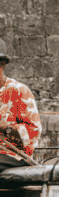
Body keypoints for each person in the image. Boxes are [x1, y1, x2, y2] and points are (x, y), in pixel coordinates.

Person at [0, 39, 41, 167]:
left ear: (2, 65)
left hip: (13, 155)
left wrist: (6, 128)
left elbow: (33, 132)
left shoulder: (18, 91)